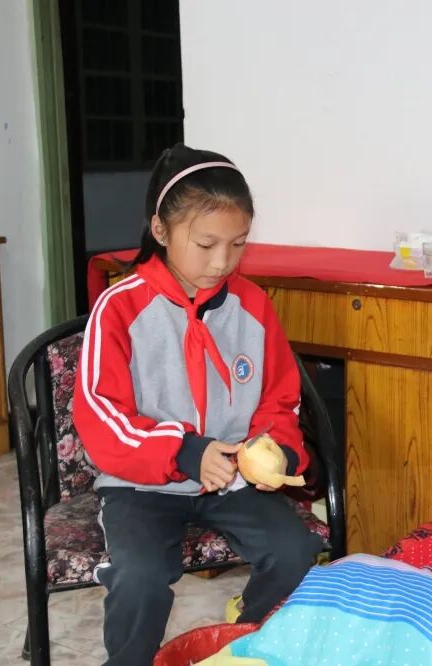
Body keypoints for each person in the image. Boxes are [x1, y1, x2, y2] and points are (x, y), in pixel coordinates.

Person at [73, 144, 323, 666]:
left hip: (231, 480)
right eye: (206, 243)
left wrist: (276, 449)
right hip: (142, 484)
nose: (222, 261)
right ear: (160, 230)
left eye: (238, 244)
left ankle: (244, 642)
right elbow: (100, 415)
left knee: (295, 551)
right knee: (140, 577)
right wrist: (185, 451)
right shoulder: (118, 307)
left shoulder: (253, 305)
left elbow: (280, 399)